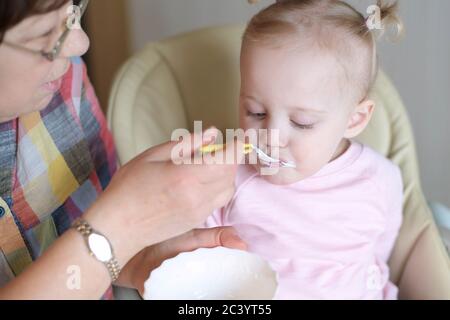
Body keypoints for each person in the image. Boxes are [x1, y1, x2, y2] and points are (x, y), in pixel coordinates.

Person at [0, 0, 245, 299]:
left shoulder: (58, 82)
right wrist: (122, 226)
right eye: (47, 33)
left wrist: (139, 258)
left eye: (73, 12)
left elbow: (77, 239)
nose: (79, 43)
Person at [203, 0, 404, 299]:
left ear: (355, 119)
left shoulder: (379, 180)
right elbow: (200, 262)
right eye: (256, 112)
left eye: (302, 122)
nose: (271, 136)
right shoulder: (228, 177)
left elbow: (380, 251)